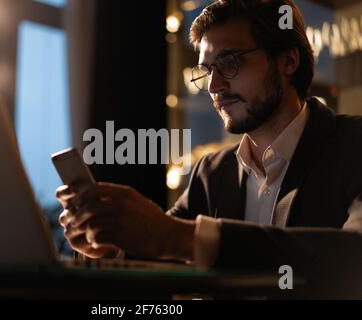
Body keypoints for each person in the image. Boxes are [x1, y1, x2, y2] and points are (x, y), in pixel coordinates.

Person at [57, 0, 362, 297]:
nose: (214, 86)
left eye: (230, 63)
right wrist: (110, 242)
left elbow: (353, 255)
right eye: (207, 70)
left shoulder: (353, 143)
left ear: (288, 61)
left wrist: (185, 239)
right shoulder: (212, 171)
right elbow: (163, 250)